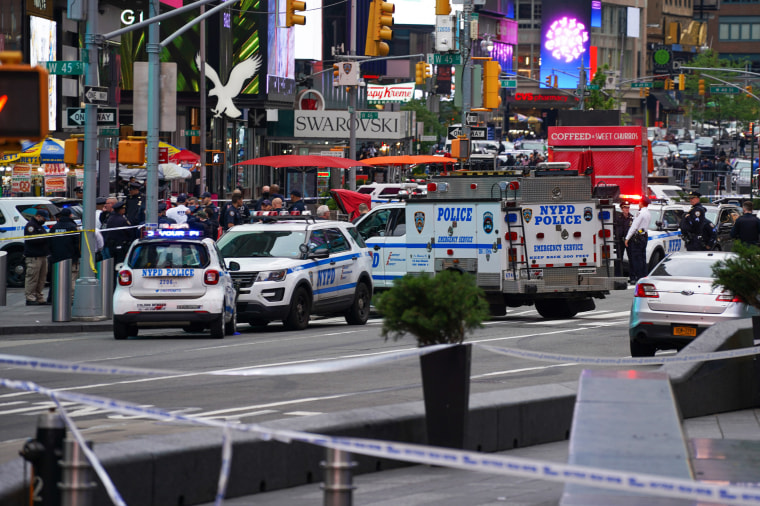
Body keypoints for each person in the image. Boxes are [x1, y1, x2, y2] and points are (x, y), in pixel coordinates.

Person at [49, 208, 80, 298]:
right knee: (71, 278)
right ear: (70, 215)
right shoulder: (72, 227)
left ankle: (56, 297)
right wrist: (77, 256)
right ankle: (71, 298)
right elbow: (76, 243)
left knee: (57, 278)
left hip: (56, 258)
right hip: (70, 257)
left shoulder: (54, 227)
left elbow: (49, 242)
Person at [23, 209, 51, 305]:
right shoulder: (31, 226)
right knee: (32, 278)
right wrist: (45, 238)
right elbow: (32, 239)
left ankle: (39, 296)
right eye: (44, 218)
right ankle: (30, 297)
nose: (45, 221)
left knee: (42, 278)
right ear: (38, 216)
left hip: (42, 255)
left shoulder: (39, 226)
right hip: (33, 256)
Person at [624, 197, 651, 284]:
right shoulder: (648, 213)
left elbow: (634, 226)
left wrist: (627, 238)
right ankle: (644, 276)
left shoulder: (640, 213)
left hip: (637, 238)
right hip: (644, 236)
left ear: (641, 203)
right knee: (643, 258)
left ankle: (639, 277)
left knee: (636, 259)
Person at [613, 200, 634, 280]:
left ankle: (632, 277)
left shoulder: (632, 218)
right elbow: (614, 227)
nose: (627, 209)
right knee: (619, 258)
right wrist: (616, 235)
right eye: (625, 208)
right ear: (622, 208)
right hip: (620, 241)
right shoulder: (618, 218)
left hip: (629, 241)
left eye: (628, 207)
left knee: (631, 259)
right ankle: (618, 276)